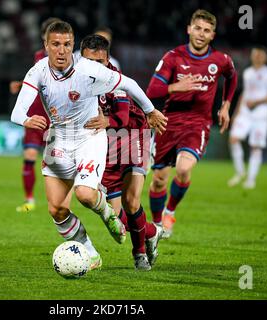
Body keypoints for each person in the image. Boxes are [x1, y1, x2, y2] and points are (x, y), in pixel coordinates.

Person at [10, 21, 167, 270]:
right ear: (46, 46)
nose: (61, 51)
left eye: (66, 45)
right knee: (57, 209)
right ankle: (94, 252)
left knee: (125, 201)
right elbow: (17, 111)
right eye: (56, 44)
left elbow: (127, 101)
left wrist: (150, 111)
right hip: (62, 139)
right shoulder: (38, 71)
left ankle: (139, 253)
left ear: (73, 47)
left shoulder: (94, 71)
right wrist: (27, 119)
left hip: (120, 136)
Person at [146, 9, 238, 239]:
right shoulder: (173, 57)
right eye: (197, 28)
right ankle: (157, 224)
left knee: (184, 168)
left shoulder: (220, 60)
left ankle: (170, 211)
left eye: (206, 30)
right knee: (158, 181)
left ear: (212, 35)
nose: (201, 34)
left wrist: (226, 105)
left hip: (198, 124)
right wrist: (175, 87)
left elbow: (232, 75)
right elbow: (152, 90)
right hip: (168, 123)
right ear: (189, 29)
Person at [81, 34, 163, 271]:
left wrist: (106, 119)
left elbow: (123, 117)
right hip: (107, 145)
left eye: (100, 62)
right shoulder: (78, 78)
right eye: (89, 61)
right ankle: (151, 232)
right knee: (117, 217)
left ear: (108, 60)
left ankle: (139, 255)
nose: (95, 67)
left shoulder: (113, 79)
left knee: (131, 200)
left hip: (133, 136)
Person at [10, 17, 62, 213]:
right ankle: (29, 199)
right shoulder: (39, 56)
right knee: (30, 155)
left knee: (58, 162)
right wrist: (22, 84)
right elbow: (38, 81)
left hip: (55, 117)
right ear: (44, 38)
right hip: (35, 114)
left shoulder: (68, 60)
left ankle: (60, 200)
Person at [228, 46, 267, 189]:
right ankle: (240, 173)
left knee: (255, 147)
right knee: (233, 139)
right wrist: (236, 113)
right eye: (255, 54)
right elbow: (245, 93)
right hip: (245, 113)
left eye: (260, 54)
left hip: (260, 115)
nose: (257, 56)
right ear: (251, 56)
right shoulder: (247, 73)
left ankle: (251, 179)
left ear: (265, 57)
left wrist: (257, 102)